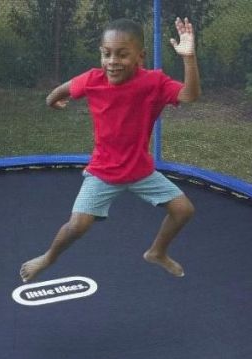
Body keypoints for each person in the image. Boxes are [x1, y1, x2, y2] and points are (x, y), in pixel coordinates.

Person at [20, 17, 201, 283]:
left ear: (140, 57)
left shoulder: (153, 82)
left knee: (184, 210)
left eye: (122, 54)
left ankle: (157, 252)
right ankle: (48, 257)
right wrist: (52, 100)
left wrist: (189, 57)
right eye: (106, 54)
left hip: (140, 171)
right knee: (77, 225)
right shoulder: (93, 79)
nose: (112, 61)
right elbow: (66, 87)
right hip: (103, 172)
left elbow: (189, 95)